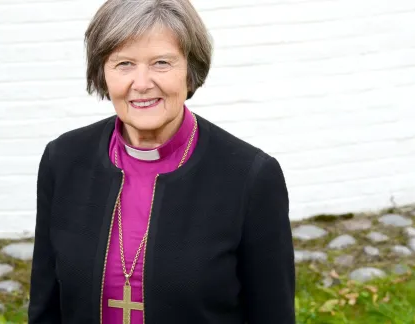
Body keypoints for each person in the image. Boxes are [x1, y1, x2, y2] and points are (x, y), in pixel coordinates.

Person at [28, 0, 295, 323]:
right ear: (103, 72)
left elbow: (273, 315)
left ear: (190, 70)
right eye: (124, 63)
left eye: (161, 63)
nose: (141, 83)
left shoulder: (249, 177)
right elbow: (45, 306)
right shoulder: (64, 160)